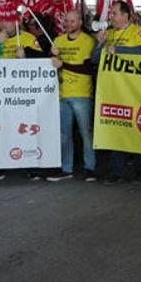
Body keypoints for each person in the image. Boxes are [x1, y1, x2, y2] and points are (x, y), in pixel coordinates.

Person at [91, 1, 141, 184]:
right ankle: (116, 171)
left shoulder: (137, 32)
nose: (111, 16)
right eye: (111, 13)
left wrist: (118, 50)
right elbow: (94, 59)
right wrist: (100, 44)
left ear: (125, 15)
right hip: (113, 91)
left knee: (137, 129)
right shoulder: (108, 33)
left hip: (134, 90)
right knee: (117, 129)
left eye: (114, 13)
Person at [0, 19, 44, 184]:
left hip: (22, 94)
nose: (1, 25)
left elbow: (42, 64)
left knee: (25, 129)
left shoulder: (28, 38)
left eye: (6, 21)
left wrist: (25, 58)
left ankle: (32, 165)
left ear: (15, 22)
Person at [46, 10, 98, 183]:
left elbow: (87, 68)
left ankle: (90, 168)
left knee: (86, 133)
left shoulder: (88, 41)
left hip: (82, 94)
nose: (68, 24)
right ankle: (66, 168)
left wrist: (63, 64)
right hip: (61, 94)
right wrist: (51, 54)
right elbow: (52, 65)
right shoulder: (58, 40)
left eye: (72, 21)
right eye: (66, 21)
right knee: (64, 134)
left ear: (80, 22)